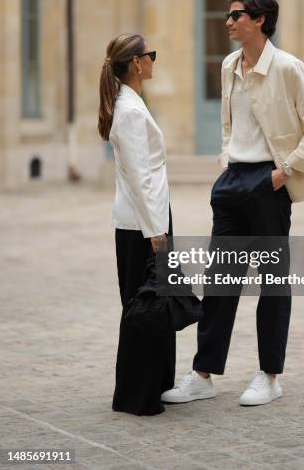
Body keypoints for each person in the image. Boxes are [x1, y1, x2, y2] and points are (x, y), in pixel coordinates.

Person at [162, 0, 304, 406]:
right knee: (220, 281)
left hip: (268, 181)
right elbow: (229, 122)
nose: (228, 22)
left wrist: (283, 173)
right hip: (233, 180)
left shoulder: (290, 68)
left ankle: (270, 375)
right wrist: (227, 160)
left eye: (236, 15)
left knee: (273, 283)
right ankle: (203, 374)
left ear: (259, 20)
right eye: (228, 14)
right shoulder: (229, 65)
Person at [98, 33, 175, 416]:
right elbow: (139, 176)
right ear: (136, 63)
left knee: (155, 305)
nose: (153, 61)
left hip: (151, 217)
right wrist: (155, 231)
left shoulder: (133, 103)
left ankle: (156, 385)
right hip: (142, 223)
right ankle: (136, 395)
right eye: (150, 55)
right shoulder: (128, 110)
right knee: (143, 307)